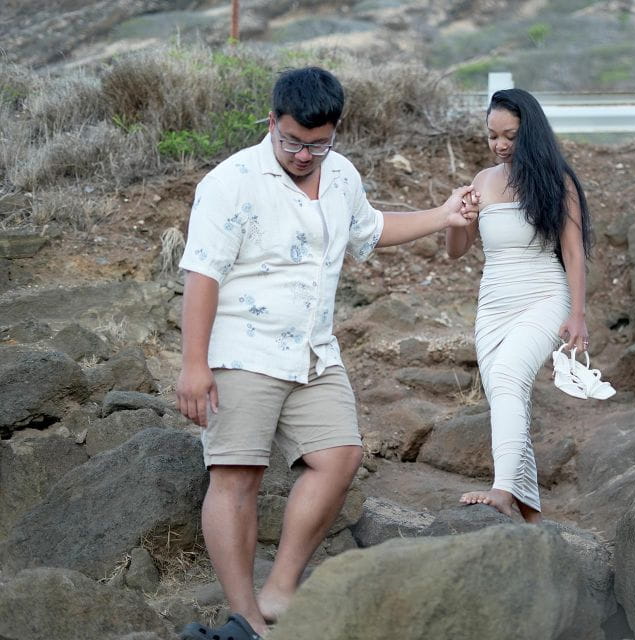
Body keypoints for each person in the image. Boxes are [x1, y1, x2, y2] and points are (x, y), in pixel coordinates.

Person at [175, 66, 478, 639]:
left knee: (340, 456)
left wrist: (442, 215)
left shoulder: (339, 174)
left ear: (335, 131)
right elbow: (202, 276)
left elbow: (370, 230)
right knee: (237, 477)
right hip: (243, 350)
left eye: (319, 143)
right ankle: (245, 620)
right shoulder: (231, 181)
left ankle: (281, 590)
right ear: (272, 123)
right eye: (293, 141)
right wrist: (195, 365)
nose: (305, 154)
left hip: (314, 352)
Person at [446, 88, 592, 524]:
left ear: (530, 132)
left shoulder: (555, 180)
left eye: (509, 135)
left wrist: (578, 315)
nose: (500, 144)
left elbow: (574, 252)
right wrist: (460, 213)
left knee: (509, 376)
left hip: (544, 296)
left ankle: (503, 490)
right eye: (492, 136)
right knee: (505, 395)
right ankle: (528, 513)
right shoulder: (482, 180)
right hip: (493, 304)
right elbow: (456, 249)